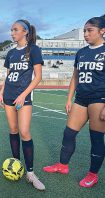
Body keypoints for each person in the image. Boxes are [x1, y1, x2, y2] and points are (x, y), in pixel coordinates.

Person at [43, 16, 105, 188]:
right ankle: (62, 165)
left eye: (89, 30)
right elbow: (75, 76)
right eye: (84, 30)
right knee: (68, 133)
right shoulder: (81, 52)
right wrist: (69, 98)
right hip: (81, 98)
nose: (85, 34)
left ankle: (93, 174)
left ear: (102, 31)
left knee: (96, 139)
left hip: (100, 99)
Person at [0, 19, 45, 190]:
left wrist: (23, 95)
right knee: (13, 130)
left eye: (15, 30)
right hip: (9, 95)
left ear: (25, 32)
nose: (12, 33)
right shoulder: (11, 53)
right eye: (11, 30)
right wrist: (2, 92)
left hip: (23, 98)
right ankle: (16, 164)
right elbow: (8, 75)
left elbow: (38, 77)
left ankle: (31, 174)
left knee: (24, 132)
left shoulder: (34, 50)